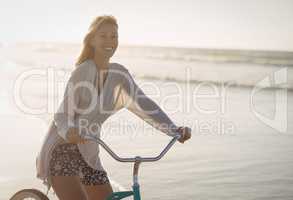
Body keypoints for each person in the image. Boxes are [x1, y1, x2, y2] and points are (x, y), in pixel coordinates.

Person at [36, 15, 191, 200]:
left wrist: (174, 130)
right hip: (63, 147)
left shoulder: (119, 75)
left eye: (114, 36)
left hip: (90, 153)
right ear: (92, 40)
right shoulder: (83, 71)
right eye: (103, 36)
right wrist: (69, 130)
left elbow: (145, 104)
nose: (110, 41)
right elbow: (62, 115)